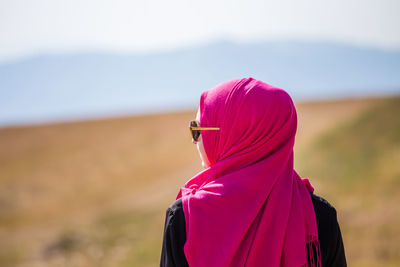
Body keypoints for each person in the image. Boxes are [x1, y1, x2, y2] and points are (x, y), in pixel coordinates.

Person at [160, 78, 347, 267]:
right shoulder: (319, 216)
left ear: (234, 134)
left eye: (197, 129)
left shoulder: (186, 218)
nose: (194, 140)